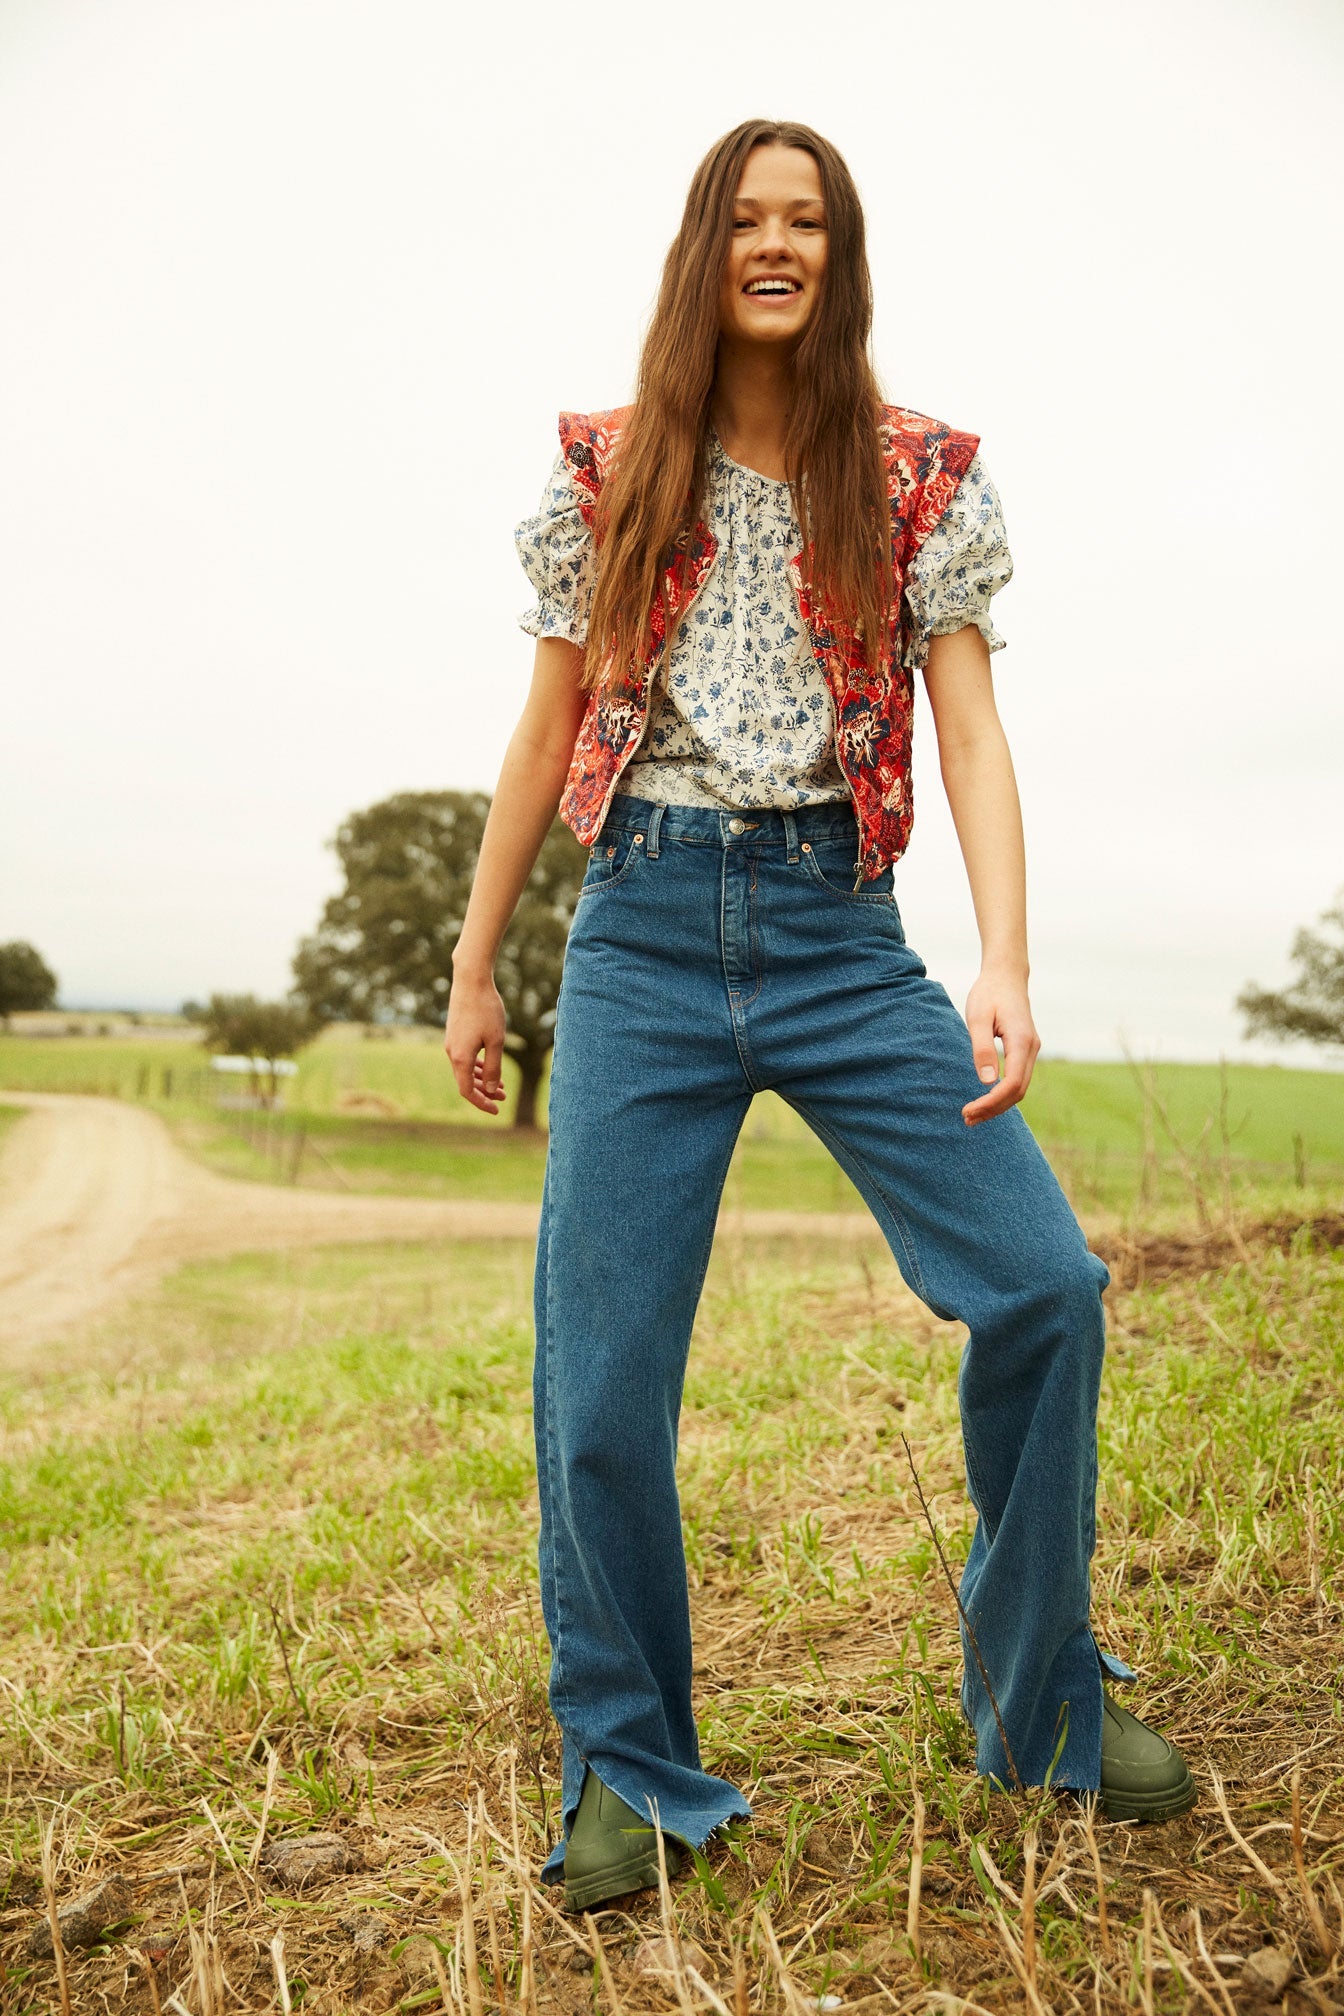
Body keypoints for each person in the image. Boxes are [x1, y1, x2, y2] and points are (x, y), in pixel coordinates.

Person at [445, 118, 1195, 1914]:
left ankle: (1041, 1703)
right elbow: (546, 734)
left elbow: (973, 730)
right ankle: (626, 1758)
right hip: (636, 933)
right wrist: (477, 966)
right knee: (605, 1386)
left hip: (843, 937)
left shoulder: (923, 478)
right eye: (748, 219)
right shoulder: (608, 475)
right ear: (707, 248)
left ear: (840, 257)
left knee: (1045, 1287)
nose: (777, 245)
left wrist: (1001, 960)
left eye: (810, 222)